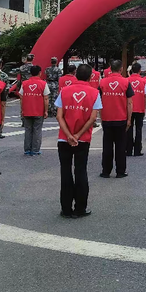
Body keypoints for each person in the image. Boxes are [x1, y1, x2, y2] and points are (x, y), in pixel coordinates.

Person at [55, 64, 102, 218]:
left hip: (64, 139)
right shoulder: (94, 93)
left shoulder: (64, 91)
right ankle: (80, 208)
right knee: (81, 171)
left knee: (65, 172)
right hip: (83, 139)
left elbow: (59, 116)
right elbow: (93, 118)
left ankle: (66, 209)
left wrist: (68, 135)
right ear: (90, 77)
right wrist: (78, 135)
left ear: (75, 75)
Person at [99, 60, 134, 178]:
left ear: (110, 69)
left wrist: (101, 117)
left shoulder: (102, 82)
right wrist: (129, 119)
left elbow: (99, 101)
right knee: (120, 146)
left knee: (107, 145)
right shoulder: (125, 82)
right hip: (121, 118)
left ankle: (105, 171)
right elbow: (129, 103)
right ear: (121, 69)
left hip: (107, 118)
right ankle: (120, 171)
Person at [20, 65, 49, 155]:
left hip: (27, 110)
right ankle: (35, 149)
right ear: (40, 73)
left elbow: (21, 96)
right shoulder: (43, 84)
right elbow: (46, 98)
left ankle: (27, 149)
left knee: (28, 130)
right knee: (37, 130)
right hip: (38, 110)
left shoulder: (24, 83)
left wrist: (22, 109)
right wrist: (46, 111)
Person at [127, 62, 146, 156]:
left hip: (129, 108)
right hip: (140, 108)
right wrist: (144, 107)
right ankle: (137, 150)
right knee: (139, 129)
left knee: (129, 129)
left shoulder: (126, 80)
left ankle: (128, 150)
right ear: (140, 70)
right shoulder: (143, 81)